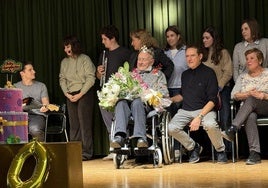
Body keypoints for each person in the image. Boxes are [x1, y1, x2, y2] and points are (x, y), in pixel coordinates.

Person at [168, 44, 227, 164]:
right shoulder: (185, 75)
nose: (189, 59)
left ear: (200, 56)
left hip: (205, 110)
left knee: (210, 124)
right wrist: (168, 100)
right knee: (171, 128)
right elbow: (182, 96)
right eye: (187, 56)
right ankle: (193, 147)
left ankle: (220, 151)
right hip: (186, 110)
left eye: (192, 56)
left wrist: (199, 117)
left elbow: (213, 100)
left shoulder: (209, 73)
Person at [110, 46, 169, 149]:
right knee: (120, 103)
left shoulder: (159, 75)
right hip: (128, 106)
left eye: (144, 59)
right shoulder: (130, 74)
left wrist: (149, 93)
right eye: (139, 59)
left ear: (151, 61)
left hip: (147, 106)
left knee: (137, 101)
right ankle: (119, 136)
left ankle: (141, 138)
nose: (140, 62)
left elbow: (164, 93)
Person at [226, 48, 268, 165]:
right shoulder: (242, 77)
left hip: (265, 105)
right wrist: (248, 94)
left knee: (251, 99)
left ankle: (234, 127)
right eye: (247, 59)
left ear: (259, 60)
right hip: (249, 108)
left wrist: (263, 95)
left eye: (252, 58)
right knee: (250, 115)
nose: (248, 61)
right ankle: (254, 154)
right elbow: (233, 95)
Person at [96, 25, 132, 160]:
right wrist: (98, 72)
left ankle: (124, 147)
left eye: (105, 39)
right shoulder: (103, 54)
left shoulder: (125, 53)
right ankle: (114, 147)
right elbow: (99, 77)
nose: (103, 42)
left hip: (120, 93)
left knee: (121, 119)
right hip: (106, 93)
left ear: (113, 38)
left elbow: (129, 74)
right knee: (108, 120)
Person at [59, 35, 96, 161]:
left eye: (68, 46)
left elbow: (91, 78)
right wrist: (67, 94)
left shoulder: (85, 59)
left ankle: (86, 153)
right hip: (70, 94)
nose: (66, 49)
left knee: (84, 123)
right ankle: (75, 153)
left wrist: (81, 94)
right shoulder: (64, 62)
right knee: (74, 125)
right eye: (64, 47)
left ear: (74, 46)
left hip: (84, 93)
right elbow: (62, 79)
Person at [201, 26, 233, 136]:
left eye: (207, 38)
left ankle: (227, 145)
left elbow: (228, 72)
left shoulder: (223, 53)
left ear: (214, 38)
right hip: (206, 91)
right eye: (203, 38)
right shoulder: (202, 55)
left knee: (224, 115)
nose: (204, 40)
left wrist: (219, 87)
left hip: (222, 89)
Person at [14, 62, 50, 142]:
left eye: (33, 69)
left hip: (37, 115)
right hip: (20, 116)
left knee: (35, 130)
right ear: (22, 73)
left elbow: (46, 103)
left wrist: (45, 107)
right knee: (13, 130)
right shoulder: (15, 87)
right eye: (30, 70)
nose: (34, 71)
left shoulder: (41, 86)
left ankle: (40, 153)